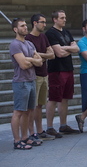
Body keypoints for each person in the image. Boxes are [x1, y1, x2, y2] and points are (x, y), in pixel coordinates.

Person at [45, 10, 80, 138]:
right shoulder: (50, 33)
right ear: (55, 19)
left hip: (68, 68)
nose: (64, 20)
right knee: (54, 98)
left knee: (65, 98)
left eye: (65, 17)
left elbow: (77, 48)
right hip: (56, 70)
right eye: (62, 18)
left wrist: (64, 48)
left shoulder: (66, 32)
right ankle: (49, 127)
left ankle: (63, 125)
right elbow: (58, 53)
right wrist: (69, 49)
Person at [10, 18, 43, 150]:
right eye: (22, 26)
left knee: (29, 111)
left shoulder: (29, 44)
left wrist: (29, 59)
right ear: (15, 29)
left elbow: (40, 62)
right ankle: (17, 140)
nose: (25, 28)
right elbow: (23, 65)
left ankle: (25, 137)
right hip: (21, 82)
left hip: (31, 80)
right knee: (18, 111)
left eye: (25, 25)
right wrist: (31, 60)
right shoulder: (15, 44)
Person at [25, 14, 56, 141]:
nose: (44, 24)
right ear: (34, 23)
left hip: (44, 74)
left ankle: (40, 131)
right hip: (34, 75)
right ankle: (32, 133)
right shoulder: (28, 38)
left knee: (40, 105)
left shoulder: (43, 37)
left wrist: (39, 55)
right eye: (42, 22)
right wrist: (41, 56)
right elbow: (31, 57)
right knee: (32, 105)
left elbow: (52, 54)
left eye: (45, 22)